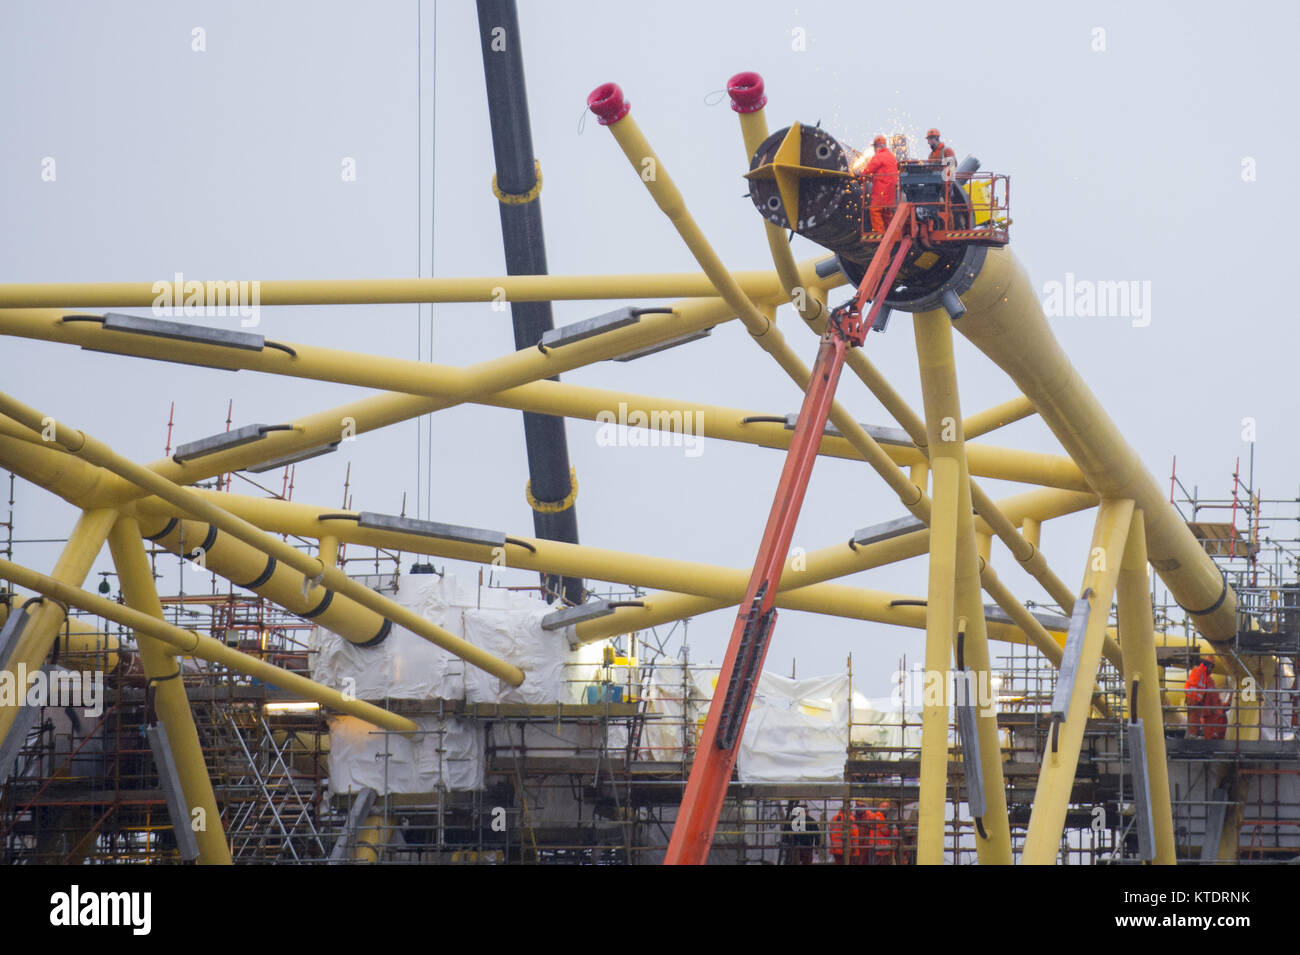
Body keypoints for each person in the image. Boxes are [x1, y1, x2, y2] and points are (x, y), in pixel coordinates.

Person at [1185, 654, 1228, 740]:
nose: (1211, 668)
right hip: (1196, 702)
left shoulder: (1207, 677)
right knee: (1195, 720)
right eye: (1210, 666)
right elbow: (1194, 686)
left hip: (1204, 706)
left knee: (1198, 721)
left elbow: (1209, 694)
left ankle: (1195, 737)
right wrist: (1194, 700)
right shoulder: (1199, 672)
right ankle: (1193, 737)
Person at [862, 135, 899, 234]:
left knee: (875, 210)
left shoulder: (879, 156)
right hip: (890, 191)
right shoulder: (891, 156)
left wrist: (860, 177)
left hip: (881, 189)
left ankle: (880, 233)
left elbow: (869, 169)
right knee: (886, 212)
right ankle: (892, 233)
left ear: (877, 146)